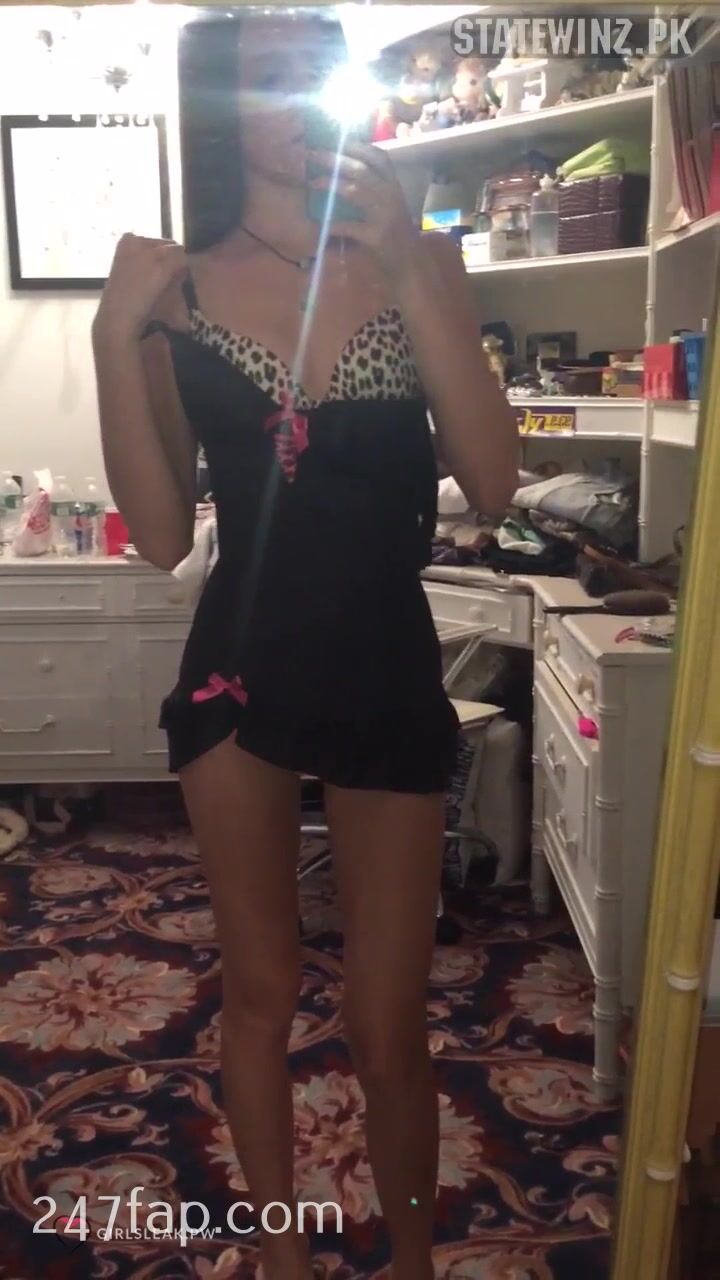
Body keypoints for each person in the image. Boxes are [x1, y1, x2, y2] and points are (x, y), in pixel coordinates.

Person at [92, 11, 517, 1279]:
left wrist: (414, 271)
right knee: (261, 991)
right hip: (239, 670)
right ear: (218, 109)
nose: (290, 99)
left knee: (390, 1022)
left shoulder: (417, 262)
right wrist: (113, 338)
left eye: (312, 74)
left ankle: (413, 1258)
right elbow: (160, 534)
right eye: (262, 78)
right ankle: (280, 1258)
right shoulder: (177, 290)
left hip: (386, 659)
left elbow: (494, 482)